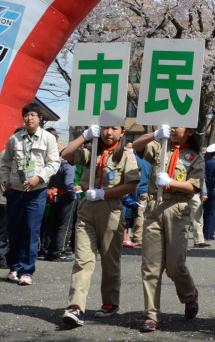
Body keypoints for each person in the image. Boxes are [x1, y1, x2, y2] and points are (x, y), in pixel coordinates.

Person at [60, 123, 140, 327]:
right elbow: (66, 154)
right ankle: (75, 307)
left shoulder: (126, 155)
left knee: (110, 260)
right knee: (83, 260)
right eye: (104, 128)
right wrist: (84, 135)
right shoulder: (90, 150)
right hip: (87, 209)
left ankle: (110, 302)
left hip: (110, 208)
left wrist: (105, 193)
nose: (108, 132)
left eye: (114, 128)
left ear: (122, 132)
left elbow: (132, 184)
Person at [133, 124, 204, 332]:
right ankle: (152, 315)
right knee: (151, 266)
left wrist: (171, 182)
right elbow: (136, 146)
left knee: (175, 266)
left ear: (190, 131)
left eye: (177, 126)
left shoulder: (195, 156)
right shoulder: (159, 146)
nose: (172, 129)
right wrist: (155, 134)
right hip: (154, 207)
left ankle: (190, 294)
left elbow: (194, 186)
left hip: (177, 209)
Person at [0, 103, 61, 285]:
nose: (29, 118)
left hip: (36, 191)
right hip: (16, 191)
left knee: (31, 231)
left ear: (39, 118)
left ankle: (27, 271)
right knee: (14, 230)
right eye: (26, 115)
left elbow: (54, 164)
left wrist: (39, 178)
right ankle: (14, 268)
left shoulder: (48, 138)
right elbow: (5, 162)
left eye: (33, 115)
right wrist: (5, 180)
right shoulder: (15, 139)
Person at [42, 141, 76, 261]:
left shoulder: (54, 163)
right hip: (65, 196)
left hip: (52, 195)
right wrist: (73, 195)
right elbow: (69, 183)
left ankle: (49, 250)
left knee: (52, 223)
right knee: (65, 225)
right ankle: (59, 251)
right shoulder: (69, 165)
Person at [123, 139, 152, 248]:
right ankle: (137, 236)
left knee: (133, 214)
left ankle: (131, 237)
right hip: (146, 189)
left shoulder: (132, 158)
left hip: (133, 188)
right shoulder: (149, 160)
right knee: (141, 214)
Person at [202, 143, 215, 242]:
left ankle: (204, 232)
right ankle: (210, 234)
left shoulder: (205, 162)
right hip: (214, 189)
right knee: (213, 212)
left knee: (206, 211)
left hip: (206, 188)